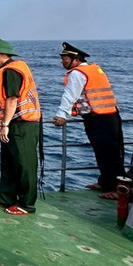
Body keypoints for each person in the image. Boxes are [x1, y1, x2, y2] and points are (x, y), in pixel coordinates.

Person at [52, 42, 125, 199]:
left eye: (65, 58)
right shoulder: (93, 69)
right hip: (107, 115)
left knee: (110, 154)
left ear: (75, 59)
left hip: (100, 118)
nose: (62, 62)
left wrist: (61, 114)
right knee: (103, 151)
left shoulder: (77, 73)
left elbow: (70, 95)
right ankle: (105, 182)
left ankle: (118, 190)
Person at [0, 40, 41, 215]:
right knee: (9, 162)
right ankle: (5, 197)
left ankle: (26, 204)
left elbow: (12, 99)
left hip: (21, 125)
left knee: (24, 164)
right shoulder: (12, 68)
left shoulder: (11, 71)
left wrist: (4, 125)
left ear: (0, 54)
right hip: (13, 123)